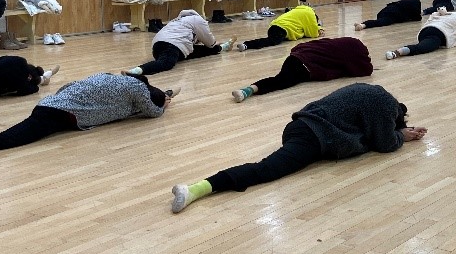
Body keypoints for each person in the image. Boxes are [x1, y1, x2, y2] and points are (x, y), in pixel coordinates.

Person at [170, 83, 426, 213]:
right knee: (266, 169)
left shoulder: (371, 91)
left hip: (299, 125)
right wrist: (401, 136)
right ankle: (195, 189)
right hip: (315, 138)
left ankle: (197, 188)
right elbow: (385, 143)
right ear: (397, 114)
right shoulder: (386, 108)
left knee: (269, 165)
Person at [0, 73, 176, 171]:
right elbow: (150, 112)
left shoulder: (107, 77)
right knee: (4, 140)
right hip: (56, 115)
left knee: (4, 138)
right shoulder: (139, 90)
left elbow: (69, 86)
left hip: (50, 105)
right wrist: (162, 105)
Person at [231, 37, 373, 102]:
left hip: (295, 57)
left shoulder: (340, 43)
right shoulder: (354, 52)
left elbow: (304, 44)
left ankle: (249, 90)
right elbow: (366, 70)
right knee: (280, 81)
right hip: (304, 66)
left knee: (280, 78)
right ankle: (247, 90)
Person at [123, 9, 234, 76]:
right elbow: (210, 43)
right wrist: (214, 43)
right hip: (172, 45)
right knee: (166, 63)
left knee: (196, 51)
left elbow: (190, 40)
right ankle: (136, 71)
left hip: (157, 46)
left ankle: (224, 47)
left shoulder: (177, 21)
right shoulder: (198, 20)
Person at [385, 8, 456, 60]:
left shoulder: (442, 14)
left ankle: (398, 52)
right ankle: (396, 52)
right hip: (437, 35)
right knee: (420, 48)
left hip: (424, 31)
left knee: (421, 45)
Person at [235, 5, 322, 51]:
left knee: (271, 40)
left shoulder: (300, 10)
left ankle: (246, 45)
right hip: (282, 29)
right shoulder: (310, 15)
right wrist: (318, 30)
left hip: (275, 26)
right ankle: (247, 45)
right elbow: (312, 33)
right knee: (270, 41)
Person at [354, 0, 422, 30]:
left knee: (378, 20)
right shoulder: (415, 5)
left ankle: (362, 24)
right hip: (392, 15)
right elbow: (418, 18)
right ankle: (363, 25)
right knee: (379, 22)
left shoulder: (403, 2)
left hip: (384, 11)